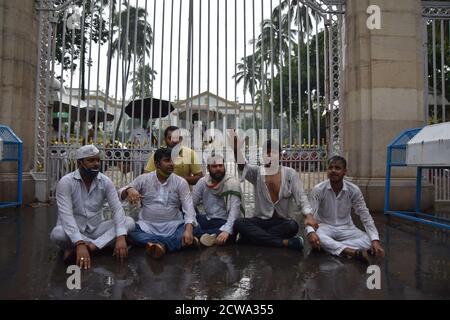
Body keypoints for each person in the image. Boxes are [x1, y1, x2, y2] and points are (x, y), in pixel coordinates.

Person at [229, 130, 318, 250]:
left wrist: (309, 215)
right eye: (267, 152)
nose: (270, 155)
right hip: (260, 220)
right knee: (239, 223)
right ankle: (285, 243)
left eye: (274, 152)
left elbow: (301, 197)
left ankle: (250, 239)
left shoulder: (290, 174)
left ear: (280, 155)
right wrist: (236, 150)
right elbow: (242, 166)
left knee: (292, 226)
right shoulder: (257, 172)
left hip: (282, 223)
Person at [50, 145, 135, 269]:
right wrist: (79, 242)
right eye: (91, 160)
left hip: (96, 229)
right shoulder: (66, 182)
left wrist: (121, 236)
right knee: (57, 233)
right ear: (80, 163)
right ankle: (97, 245)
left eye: (97, 160)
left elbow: (117, 209)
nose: (96, 164)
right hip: (72, 230)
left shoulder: (106, 182)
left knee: (129, 222)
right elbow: (66, 215)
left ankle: (91, 247)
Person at [120, 148, 201, 259]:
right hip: (147, 226)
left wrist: (188, 229)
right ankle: (179, 243)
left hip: (174, 226)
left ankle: (159, 246)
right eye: (167, 160)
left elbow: (188, 208)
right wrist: (128, 189)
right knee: (130, 230)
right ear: (157, 164)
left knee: (194, 227)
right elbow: (120, 193)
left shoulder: (181, 182)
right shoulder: (143, 179)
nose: (171, 164)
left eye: (173, 161)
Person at [306, 156, 385, 264]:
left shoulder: (353, 190)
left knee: (369, 240)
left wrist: (375, 240)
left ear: (344, 172)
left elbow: (364, 215)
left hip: (347, 228)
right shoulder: (319, 189)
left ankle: (332, 247)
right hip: (324, 227)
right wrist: (311, 233)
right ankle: (351, 252)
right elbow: (310, 215)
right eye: (330, 167)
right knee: (316, 236)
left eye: (337, 168)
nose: (333, 170)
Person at [192, 154, 245, 247]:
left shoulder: (232, 183)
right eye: (214, 166)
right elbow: (191, 203)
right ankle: (204, 237)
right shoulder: (203, 182)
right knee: (184, 213)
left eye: (220, 165)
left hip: (224, 222)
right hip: (208, 219)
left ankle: (199, 236)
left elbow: (235, 211)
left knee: (232, 230)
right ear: (208, 168)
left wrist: (226, 230)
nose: (218, 169)